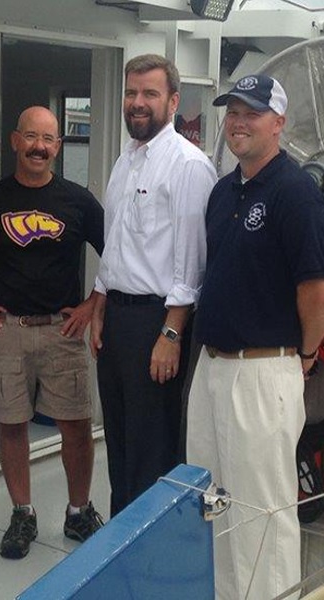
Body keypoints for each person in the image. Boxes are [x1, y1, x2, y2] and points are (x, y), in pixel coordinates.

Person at [187, 75, 324, 600]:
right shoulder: (224, 191)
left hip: (264, 370)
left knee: (262, 509)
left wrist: (306, 355)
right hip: (213, 366)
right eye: (233, 112)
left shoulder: (296, 194)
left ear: (278, 124)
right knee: (214, 498)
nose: (239, 122)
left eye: (252, 113)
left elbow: (314, 289)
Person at [0, 105, 104, 560]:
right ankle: (22, 514)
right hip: (7, 331)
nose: (39, 147)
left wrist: (91, 305)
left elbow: (120, 257)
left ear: (58, 147)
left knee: (76, 427)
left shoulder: (79, 201)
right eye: (31, 137)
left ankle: (78, 511)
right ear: (14, 140)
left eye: (48, 140)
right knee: (12, 425)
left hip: (62, 333)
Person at [90, 54, 217, 517]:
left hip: (157, 323)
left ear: (173, 101)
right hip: (119, 319)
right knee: (119, 440)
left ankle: (150, 562)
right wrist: (100, 309)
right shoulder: (125, 161)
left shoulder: (188, 165)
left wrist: (171, 333)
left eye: (149, 94)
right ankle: (120, 544)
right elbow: (117, 245)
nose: (137, 103)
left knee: (153, 447)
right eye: (131, 93)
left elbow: (192, 265)